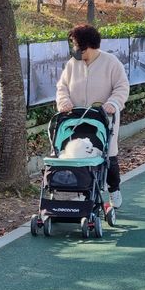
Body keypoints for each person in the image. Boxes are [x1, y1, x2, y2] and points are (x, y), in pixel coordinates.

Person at [56, 24, 130, 208]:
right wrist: (64, 101)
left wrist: (113, 103)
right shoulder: (72, 64)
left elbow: (122, 87)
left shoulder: (111, 62)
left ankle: (114, 189)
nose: (74, 49)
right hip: (75, 119)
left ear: (87, 45)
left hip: (103, 119)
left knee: (108, 155)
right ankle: (81, 191)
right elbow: (62, 87)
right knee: (77, 156)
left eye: (76, 45)